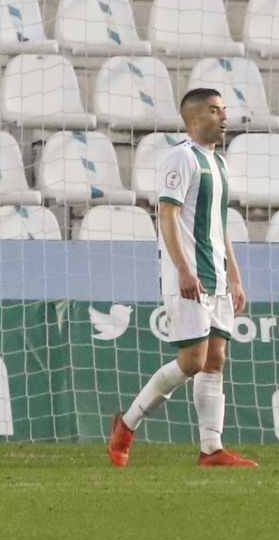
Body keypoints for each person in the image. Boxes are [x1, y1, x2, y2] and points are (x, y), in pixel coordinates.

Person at [107, 88, 256, 468]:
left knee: (216, 359)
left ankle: (211, 449)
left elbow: (220, 226)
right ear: (193, 118)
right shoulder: (181, 158)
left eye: (224, 109)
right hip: (188, 276)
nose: (224, 116)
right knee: (192, 360)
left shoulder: (218, 163)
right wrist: (184, 270)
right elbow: (168, 216)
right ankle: (127, 423)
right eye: (214, 110)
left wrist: (235, 275)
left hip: (217, 276)